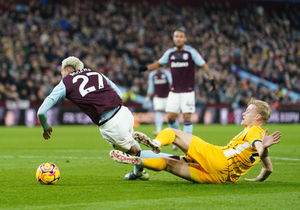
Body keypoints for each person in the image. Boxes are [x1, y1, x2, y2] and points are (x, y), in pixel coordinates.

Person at [37, 56, 170, 181]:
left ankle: (176, 159)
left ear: (68, 69)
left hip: (111, 124)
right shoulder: (96, 73)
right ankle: (138, 172)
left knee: (135, 153)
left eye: (62, 71)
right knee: (132, 146)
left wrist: (45, 127)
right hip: (125, 113)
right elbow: (119, 93)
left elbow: (41, 112)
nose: (62, 75)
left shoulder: (65, 82)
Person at [110, 98, 282, 184]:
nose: (244, 113)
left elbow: (259, 146)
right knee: (166, 163)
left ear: (257, 117)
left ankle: (156, 143)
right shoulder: (256, 135)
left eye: (248, 111)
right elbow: (268, 169)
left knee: (172, 132)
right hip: (220, 178)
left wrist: (262, 147)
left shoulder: (254, 131)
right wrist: (257, 179)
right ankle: (138, 161)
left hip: (218, 158)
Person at [139, 27, 215, 150]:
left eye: (180, 36)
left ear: (185, 38)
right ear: (173, 39)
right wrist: (146, 68)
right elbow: (159, 63)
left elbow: (203, 65)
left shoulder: (191, 52)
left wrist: (211, 78)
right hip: (174, 92)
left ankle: (187, 145)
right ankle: (179, 139)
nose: (178, 39)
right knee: (170, 117)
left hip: (188, 91)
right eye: (176, 36)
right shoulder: (170, 53)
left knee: (186, 117)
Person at [145, 67, 172, 135]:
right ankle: (158, 130)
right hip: (157, 97)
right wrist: (148, 97)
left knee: (169, 113)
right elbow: (151, 87)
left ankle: (171, 130)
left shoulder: (167, 73)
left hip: (167, 97)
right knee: (158, 112)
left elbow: (172, 83)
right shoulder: (152, 74)